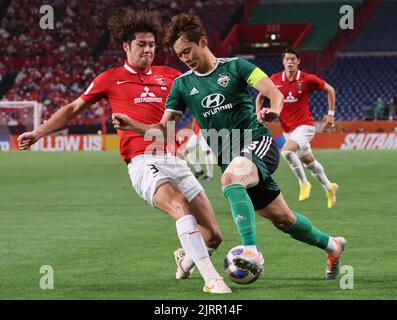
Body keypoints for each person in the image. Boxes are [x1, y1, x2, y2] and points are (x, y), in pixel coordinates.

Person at [111, 13, 347, 280]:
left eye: (188, 51)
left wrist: (275, 111)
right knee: (284, 220)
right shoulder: (182, 85)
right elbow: (164, 129)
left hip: (257, 144)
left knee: (231, 178)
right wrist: (134, 126)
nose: (185, 58)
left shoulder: (237, 67)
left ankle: (249, 252)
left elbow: (274, 93)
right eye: (180, 55)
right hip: (232, 157)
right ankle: (333, 246)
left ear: (202, 41)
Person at [17, 8, 230, 294]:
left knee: (214, 236)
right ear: (126, 47)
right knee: (180, 208)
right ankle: (212, 280)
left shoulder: (171, 76)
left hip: (174, 159)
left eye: (152, 44)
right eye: (141, 45)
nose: (148, 50)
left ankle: (185, 258)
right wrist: (37, 133)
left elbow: (199, 104)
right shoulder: (110, 78)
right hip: (142, 161)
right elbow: (72, 109)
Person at [256, 47, 338, 208]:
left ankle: (304, 183)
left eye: (293, 59)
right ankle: (329, 187)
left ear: (298, 61)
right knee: (309, 162)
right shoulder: (275, 79)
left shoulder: (307, 79)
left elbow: (330, 89)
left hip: (305, 126)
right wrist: (258, 113)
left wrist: (331, 114)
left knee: (286, 152)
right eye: (287, 59)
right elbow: (260, 96)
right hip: (287, 129)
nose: (290, 62)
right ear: (283, 62)